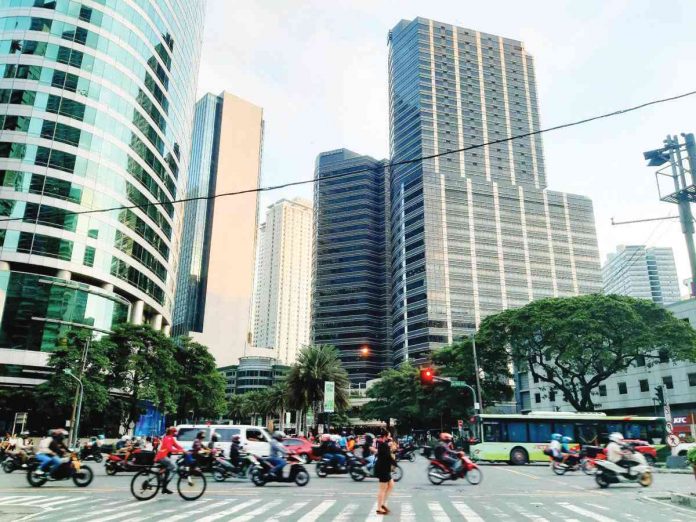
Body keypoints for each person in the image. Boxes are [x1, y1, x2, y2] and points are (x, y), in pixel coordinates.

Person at [155, 427, 184, 494]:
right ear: (171, 432)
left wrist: (184, 450)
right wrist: (179, 450)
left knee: (167, 472)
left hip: (163, 456)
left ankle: (164, 488)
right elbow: (170, 448)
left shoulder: (170, 438)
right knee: (174, 466)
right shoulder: (168, 438)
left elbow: (177, 445)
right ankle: (159, 473)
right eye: (174, 432)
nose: (175, 433)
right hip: (162, 456)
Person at [374, 429, 396, 515]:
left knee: (391, 485)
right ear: (385, 436)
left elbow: (387, 453)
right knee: (382, 489)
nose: (390, 437)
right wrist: (395, 464)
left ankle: (383, 504)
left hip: (384, 468)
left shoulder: (383, 444)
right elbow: (388, 457)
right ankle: (379, 508)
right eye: (389, 435)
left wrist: (390, 447)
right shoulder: (382, 444)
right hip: (382, 469)